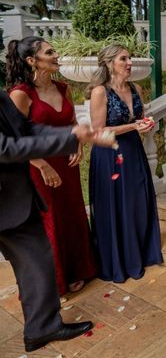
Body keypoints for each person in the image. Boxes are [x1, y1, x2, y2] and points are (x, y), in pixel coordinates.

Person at [0, 92, 114, 352]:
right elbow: (7, 148)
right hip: (5, 203)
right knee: (37, 260)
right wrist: (69, 138)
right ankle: (42, 327)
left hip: (14, 199)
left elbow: (24, 127)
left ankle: (42, 328)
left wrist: (71, 131)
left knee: (37, 261)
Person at [6, 37, 96, 297]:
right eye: (50, 52)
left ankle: (80, 268)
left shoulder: (63, 87)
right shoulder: (21, 94)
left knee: (73, 213)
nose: (57, 55)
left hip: (67, 163)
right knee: (51, 219)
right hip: (39, 166)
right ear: (32, 61)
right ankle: (56, 280)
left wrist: (77, 142)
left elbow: (70, 121)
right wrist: (43, 166)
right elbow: (14, 140)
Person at [88, 44, 163, 283]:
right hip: (110, 154)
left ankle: (140, 252)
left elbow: (140, 119)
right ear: (110, 63)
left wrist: (146, 123)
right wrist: (133, 126)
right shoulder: (100, 92)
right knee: (117, 205)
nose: (129, 62)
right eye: (124, 59)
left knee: (137, 201)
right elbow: (98, 131)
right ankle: (121, 260)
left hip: (134, 151)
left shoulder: (136, 88)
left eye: (130, 58)